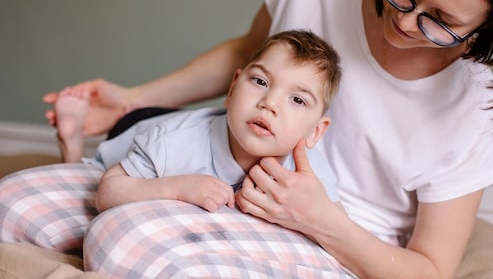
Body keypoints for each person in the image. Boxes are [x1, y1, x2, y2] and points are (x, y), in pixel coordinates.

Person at [1, 0, 493, 277]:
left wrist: (321, 221)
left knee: (123, 237)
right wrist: (132, 99)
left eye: (440, 21)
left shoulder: (471, 107)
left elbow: (431, 268)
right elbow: (248, 55)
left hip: (330, 241)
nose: (404, 21)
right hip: (215, 179)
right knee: (15, 202)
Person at [59, 30, 342, 212]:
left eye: (297, 100)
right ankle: (72, 143)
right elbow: (109, 191)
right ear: (232, 89)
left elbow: (333, 218)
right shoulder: (173, 143)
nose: (269, 103)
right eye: (259, 81)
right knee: (90, 171)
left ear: (315, 132)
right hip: (143, 126)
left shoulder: (310, 174)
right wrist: (178, 187)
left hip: (186, 121)